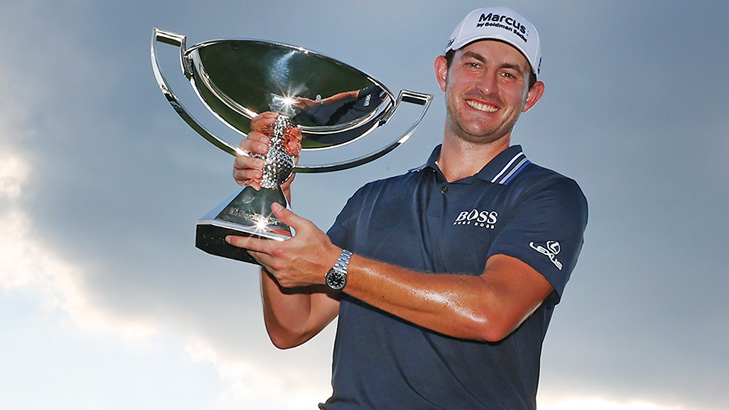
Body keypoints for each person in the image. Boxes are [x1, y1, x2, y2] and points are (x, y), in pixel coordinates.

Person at [228, 6, 588, 410]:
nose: (487, 87)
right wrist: (272, 194)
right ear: (443, 73)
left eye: (508, 74)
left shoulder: (547, 195)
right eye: (473, 64)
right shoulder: (374, 198)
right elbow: (292, 326)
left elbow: (492, 313)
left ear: (530, 96)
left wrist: (338, 265)